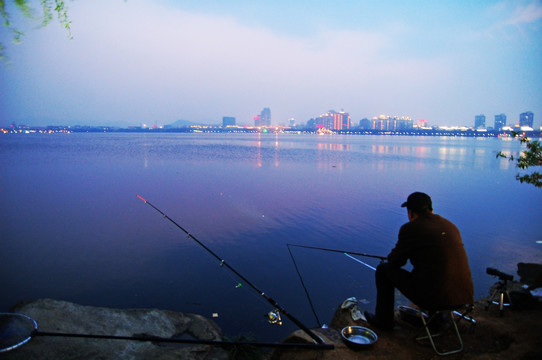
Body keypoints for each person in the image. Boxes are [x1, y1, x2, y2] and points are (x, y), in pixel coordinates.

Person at [365, 192, 473, 331]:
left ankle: (383, 322)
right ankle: (437, 319)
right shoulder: (450, 226)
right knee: (435, 272)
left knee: (383, 270)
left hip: (435, 299)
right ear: (431, 209)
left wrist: (394, 257)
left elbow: (395, 263)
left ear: (410, 213)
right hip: (464, 296)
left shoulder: (410, 228)